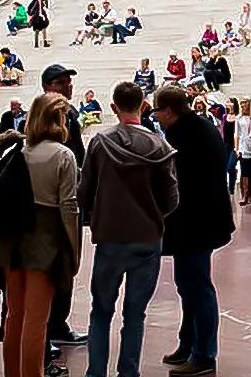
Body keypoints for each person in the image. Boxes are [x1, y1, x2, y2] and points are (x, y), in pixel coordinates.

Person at [0, 93, 81, 377]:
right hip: (45, 238)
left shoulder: (19, 151)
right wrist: (74, 252)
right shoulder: (63, 155)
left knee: (14, 315)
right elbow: (68, 208)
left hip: (13, 237)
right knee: (37, 320)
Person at [80, 82, 179, 377]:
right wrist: (151, 214)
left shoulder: (100, 142)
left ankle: (96, 372)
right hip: (147, 237)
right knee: (135, 314)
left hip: (110, 235)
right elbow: (172, 199)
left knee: (101, 310)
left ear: (113, 107)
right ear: (144, 105)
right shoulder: (160, 146)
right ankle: (129, 372)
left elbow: (84, 192)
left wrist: (100, 210)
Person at [153, 86, 235, 377]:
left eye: (157, 112)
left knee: (197, 287)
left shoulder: (185, 135)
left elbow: (179, 184)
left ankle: (203, 355)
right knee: (188, 284)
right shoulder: (198, 127)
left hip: (196, 224)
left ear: (169, 111)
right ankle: (188, 345)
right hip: (201, 221)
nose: (156, 119)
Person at [40, 64, 87, 349]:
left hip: (62, 194)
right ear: (49, 85)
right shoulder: (56, 114)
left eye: (69, 82)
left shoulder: (68, 113)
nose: (69, 87)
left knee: (62, 268)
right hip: (57, 199)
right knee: (59, 265)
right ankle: (48, 328)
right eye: (62, 82)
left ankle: (55, 324)